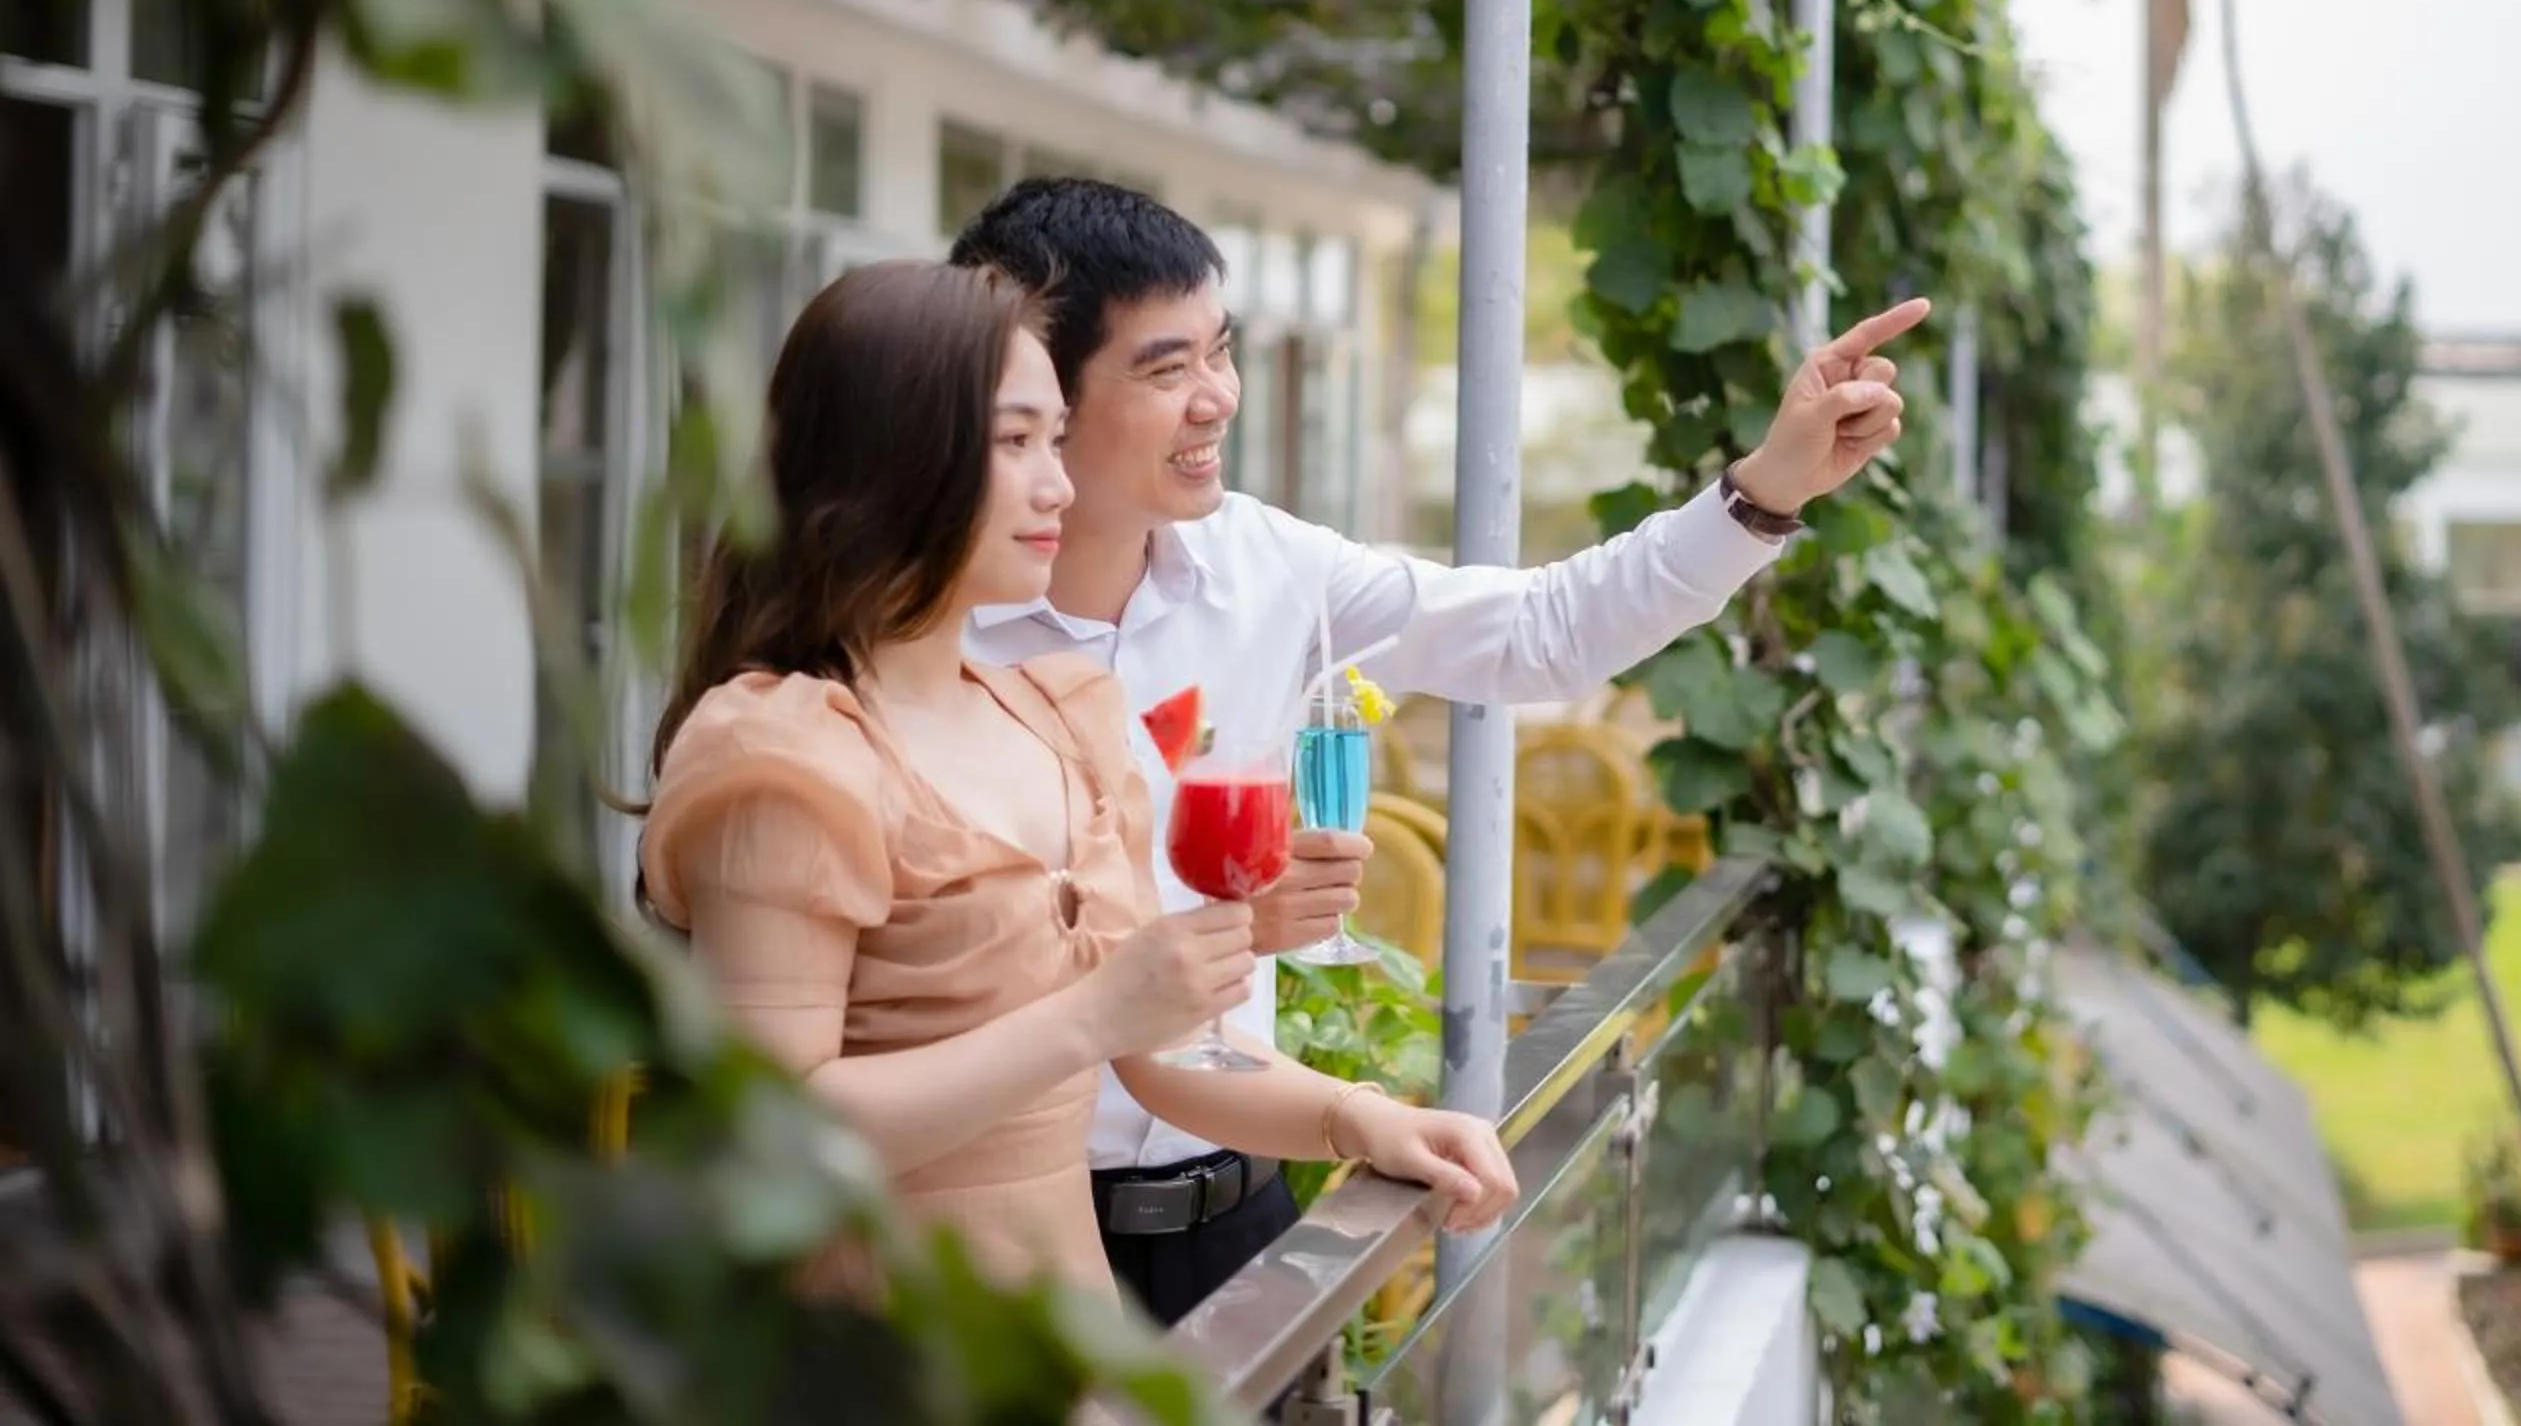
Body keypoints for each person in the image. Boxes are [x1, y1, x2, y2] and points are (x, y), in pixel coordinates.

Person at [951, 179, 1924, 1324]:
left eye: (1222, 350)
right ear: (1034, 396)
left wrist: (1766, 492)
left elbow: (1542, 631)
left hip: (1241, 1220)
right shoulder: (928, 635)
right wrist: (1241, 932)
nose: (1217, 397)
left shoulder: (1267, 565)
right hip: (1000, 1247)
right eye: (1167, 370)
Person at [638, 260, 1517, 1301]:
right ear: (891, 463)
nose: (1057, 483)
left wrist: (1363, 1116)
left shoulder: (1053, 717)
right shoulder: (785, 753)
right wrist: (1090, 1016)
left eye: (1055, 438)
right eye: (1015, 443)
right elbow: (772, 1129)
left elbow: (1163, 1049)